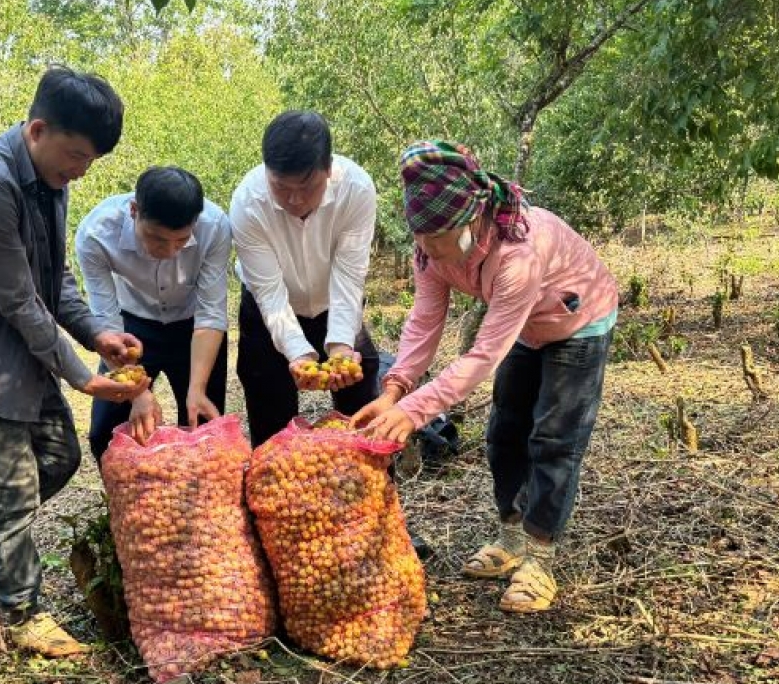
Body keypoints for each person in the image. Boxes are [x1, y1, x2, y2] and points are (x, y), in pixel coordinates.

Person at [0, 66, 150, 656]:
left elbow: (53, 280)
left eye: (90, 161)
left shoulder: (50, 181)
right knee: (14, 493)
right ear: (38, 129)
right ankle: (21, 616)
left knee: (59, 457)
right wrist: (80, 375)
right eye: (75, 155)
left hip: (18, 362)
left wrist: (98, 333)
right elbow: (18, 299)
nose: (81, 171)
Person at [354, 141, 618, 613]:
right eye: (423, 238)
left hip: (578, 323)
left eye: (441, 236)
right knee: (504, 432)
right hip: (526, 327)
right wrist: (394, 389)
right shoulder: (430, 253)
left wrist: (414, 412)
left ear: (475, 216)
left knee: (554, 439)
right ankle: (511, 537)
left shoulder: (518, 254)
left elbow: (483, 356)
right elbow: (423, 323)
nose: (433, 249)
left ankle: (539, 558)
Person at [230, 110, 382, 448]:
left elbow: (349, 273)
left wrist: (342, 344)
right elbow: (269, 292)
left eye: (307, 186)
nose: (294, 200)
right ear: (267, 171)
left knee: (361, 401)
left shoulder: (356, 189)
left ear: (328, 169)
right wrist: (298, 352)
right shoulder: (247, 202)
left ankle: (370, 491)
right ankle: (270, 495)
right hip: (267, 311)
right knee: (269, 414)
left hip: (334, 302)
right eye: (280, 188)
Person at [75, 166, 232, 462]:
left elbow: (211, 313)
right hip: (131, 329)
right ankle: (127, 499)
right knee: (105, 432)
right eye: (158, 239)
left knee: (204, 426)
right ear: (134, 210)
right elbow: (106, 323)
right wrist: (137, 392)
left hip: (194, 328)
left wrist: (196, 388)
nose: (171, 251)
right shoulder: (97, 233)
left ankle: (200, 501)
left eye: (182, 241)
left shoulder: (214, 226)